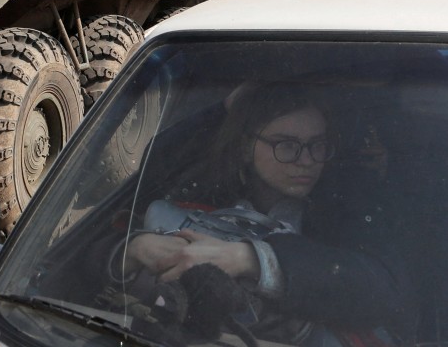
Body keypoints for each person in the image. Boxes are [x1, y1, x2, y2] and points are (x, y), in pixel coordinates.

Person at [117, 84, 415, 344]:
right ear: (246, 147)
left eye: (318, 145)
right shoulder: (206, 191)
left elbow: (383, 288)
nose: (306, 161)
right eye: (286, 145)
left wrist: (251, 259)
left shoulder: (345, 205)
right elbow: (155, 166)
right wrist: (132, 250)